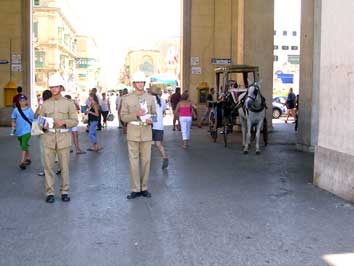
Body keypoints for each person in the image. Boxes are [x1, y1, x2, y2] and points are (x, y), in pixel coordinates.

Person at [39, 73, 78, 203]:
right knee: (48, 166)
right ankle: (49, 192)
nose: (54, 89)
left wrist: (64, 122)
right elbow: (39, 122)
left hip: (63, 137)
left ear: (61, 87)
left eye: (56, 86)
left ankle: (64, 191)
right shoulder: (45, 104)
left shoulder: (69, 103)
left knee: (64, 166)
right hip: (48, 137)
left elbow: (75, 121)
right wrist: (43, 125)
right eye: (52, 87)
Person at [120, 71, 156, 199]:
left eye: (142, 82)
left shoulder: (151, 98)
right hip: (133, 131)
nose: (140, 84)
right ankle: (135, 188)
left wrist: (151, 119)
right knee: (133, 162)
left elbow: (155, 115)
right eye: (138, 82)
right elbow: (123, 117)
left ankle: (144, 187)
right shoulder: (127, 98)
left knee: (146, 161)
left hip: (146, 132)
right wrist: (135, 114)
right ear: (134, 83)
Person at [11, 95, 34, 169]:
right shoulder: (16, 110)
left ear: (26, 101)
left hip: (27, 130)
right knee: (23, 144)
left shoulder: (30, 110)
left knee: (24, 144)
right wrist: (13, 124)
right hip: (19, 131)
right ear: (19, 102)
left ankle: (22, 162)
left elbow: (33, 120)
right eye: (21, 101)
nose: (22, 102)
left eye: (24, 100)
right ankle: (28, 158)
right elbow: (13, 118)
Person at [150, 86, 169, 169]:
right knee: (159, 144)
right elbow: (164, 109)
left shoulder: (149, 100)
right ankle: (165, 157)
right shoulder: (162, 100)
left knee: (148, 143)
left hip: (150, 125)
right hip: (159, 126)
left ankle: (147, 161)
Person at [35, 90, 52, 176]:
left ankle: (45, 170)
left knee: (44, 151)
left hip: (43, 131)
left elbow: (35, 116)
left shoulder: (42, 106)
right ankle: (60, 168)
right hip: (53, 131)